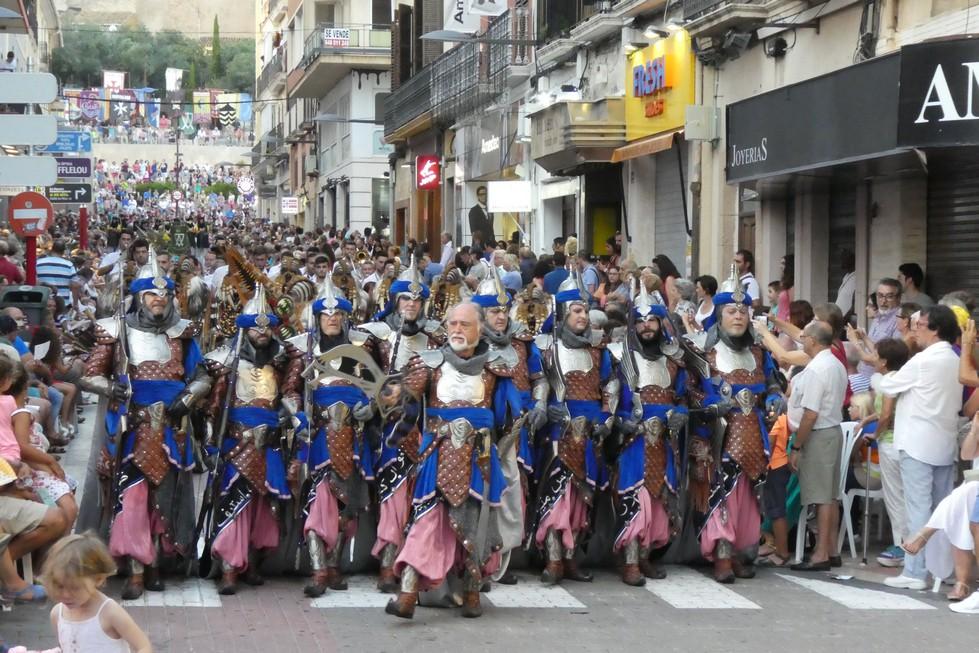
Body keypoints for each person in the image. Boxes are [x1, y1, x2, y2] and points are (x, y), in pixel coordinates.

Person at [80, 249, 212, 599]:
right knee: (133, 498)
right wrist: (114, 388)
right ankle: (136, 569)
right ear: (139, 297)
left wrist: (188, 398)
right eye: (152, 294)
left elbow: (201, 375)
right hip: (131, 427)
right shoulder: (117, 330)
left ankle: (155, 563)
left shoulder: (182, 332)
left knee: (164, 498)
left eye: (164, 294)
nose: (159, 299)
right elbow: (90, 374)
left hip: (171, 427)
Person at [385, 302, 507, 619]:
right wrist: (392, 399)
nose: (456, 329)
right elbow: (407, 400)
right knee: (425, 523)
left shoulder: (496, 366)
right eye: (452, 323)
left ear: (480, 329)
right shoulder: (430, 362)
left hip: (479, 454)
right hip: (437, 453)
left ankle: (471, 592)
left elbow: (508, 413)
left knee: (476, 523)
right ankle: (407, 594)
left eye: (464, 324)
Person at [200, 286, 303, 595]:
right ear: (244, 329)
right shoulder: (226, 360)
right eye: (256, 328)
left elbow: (290, 394)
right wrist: (210, 445)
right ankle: (230, 568)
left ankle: (254, 562)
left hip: (269, 443)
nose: (262, 332)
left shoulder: (282, 360)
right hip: (236, 443)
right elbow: (212, 408)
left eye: (267, 327)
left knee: (267, 508)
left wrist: (291, 414)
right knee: (234, 503)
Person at [685, 270, 783, 583]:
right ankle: (722, 555)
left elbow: (773, 383)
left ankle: (740, 552)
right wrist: (710, 404)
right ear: (719, 314)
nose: (738, 316)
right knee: (721, 495)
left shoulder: (759, 352)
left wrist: (775, 397)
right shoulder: (702, 350)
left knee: (748, 499)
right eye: (731, 311)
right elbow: (689, 389)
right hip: (718, 434)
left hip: (754, 434)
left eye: (743, 311)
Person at [358, 262, 441, 593]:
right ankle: (388, 561)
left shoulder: (434, 337)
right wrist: (371, 401)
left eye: (417, 300)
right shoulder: (377, 334)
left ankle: (414, 562)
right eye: (406, 298)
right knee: (392, 493)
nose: (411, 305)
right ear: (395, 300)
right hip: (389, 425)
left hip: (424, 424)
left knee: (420, 495)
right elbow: (363, 375)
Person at [529, 273, 616, 587]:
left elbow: (610, 385)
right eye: (577, 310)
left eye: (586, 310)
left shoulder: (599, 350)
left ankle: (571, 558)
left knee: (583, 499)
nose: (583, 316)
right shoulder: (546, 347)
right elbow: (538, 382)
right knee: (556, 497)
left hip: (590, 433)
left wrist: (607, 418)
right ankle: (553, 559)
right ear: (563, 313)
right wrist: (544, 406)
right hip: (558, 431)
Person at [291, 277, 375, 598]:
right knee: (318, 503)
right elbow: (290, 390)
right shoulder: (304, 350)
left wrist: (369, 406)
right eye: (327, 315)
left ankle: (335, 564)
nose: (332, 319)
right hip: (319, 438)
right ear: (317, 318)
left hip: (353, 439)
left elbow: (373, 387)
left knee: (347, 507)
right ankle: (319, 570)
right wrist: (297, 415)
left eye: (338, 314)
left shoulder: (360, 350)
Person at [869, 305, 963, 591]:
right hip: (943, 443)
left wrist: (881, 372)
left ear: (935, 330)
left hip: (917, 443)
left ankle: (915, 571)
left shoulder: (923, 360)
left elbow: (888, 384)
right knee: (941, 510)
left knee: (918, 510)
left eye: (920, 325)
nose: (915, 330)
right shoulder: (955, 359)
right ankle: (942, 570)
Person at [605, 284, 687, 584]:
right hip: (633, 442)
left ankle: (645, 556)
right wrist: (621, 422)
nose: (647, 326)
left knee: (658, 499)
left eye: (652, 320)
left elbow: (683, 397)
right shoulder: (619, 358)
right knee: (634, 495)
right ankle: (629, 561)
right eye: (640, 321)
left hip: (664, 442)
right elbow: (608, 400)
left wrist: (681, 413)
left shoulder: (673, 360)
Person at [473, 269, 548, 586]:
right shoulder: (472, 344)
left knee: (514, 494)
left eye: (504, 310)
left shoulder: (523, 342)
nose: (501, 316)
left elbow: (539, 378)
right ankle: (480, 559)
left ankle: (503, 557)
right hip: (482, 430)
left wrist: (540, 403)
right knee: (481, 494)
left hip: (518, 429)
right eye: (494, 310)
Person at [786, 321, 848, 572]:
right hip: (831, 431)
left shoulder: (816, 369)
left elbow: (810, 414)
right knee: (830, 496)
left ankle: (821, 553)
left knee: (821, 497)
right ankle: (831, 549)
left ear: (812, 340)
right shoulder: (835, 363)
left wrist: (797, 446)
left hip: (819, 434)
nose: (801, 339)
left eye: (804, 336)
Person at [41, 533, 152, 653]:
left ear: (98, 579)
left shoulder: (110, 613)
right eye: (60, 586)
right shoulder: (57, 614)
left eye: (75, 588)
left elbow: (143, 646)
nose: (66, 594)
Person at [868, 338, 910, 569]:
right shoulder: (902, 378)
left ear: (884, 361)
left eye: (876, 355)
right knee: (907, 496)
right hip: (904, 444)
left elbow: (885, 415)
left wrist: (875, 435)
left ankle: (901, 546)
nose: (873, 358)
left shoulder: (888, 382)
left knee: (895, 498)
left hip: (890, 444)